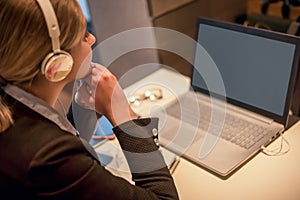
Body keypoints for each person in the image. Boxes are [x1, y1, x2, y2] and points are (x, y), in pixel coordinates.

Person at [0, 0, 179, 199]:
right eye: (84, 35)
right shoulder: (49, 159)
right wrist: (123, 115)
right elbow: (165, 197)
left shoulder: (8, 100)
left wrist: (84, 108)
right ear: (57, 61)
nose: (92, 39)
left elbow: (59, 136)